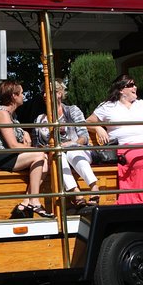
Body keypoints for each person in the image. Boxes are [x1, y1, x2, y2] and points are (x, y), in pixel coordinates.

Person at [86, 74, 143, 213]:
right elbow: (87, 122)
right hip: (127, 146)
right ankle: (140, 203)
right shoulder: (107, 107)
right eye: (131, 85)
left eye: (134, 84)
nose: (135, 87)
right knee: (139, 160)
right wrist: (98, 128)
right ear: (121, 89)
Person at [0, 80, 54, 218]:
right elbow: (13, 145)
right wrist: (34, 149)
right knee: (39, 155)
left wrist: (25, 132)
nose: (23, 95)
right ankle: (35, 201)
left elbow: (16, 134)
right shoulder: (2, 114)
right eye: (21, 93)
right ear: (14, 96)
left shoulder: (12, 115)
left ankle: (26, 203)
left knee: (43, 160)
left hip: (5, 154)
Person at [35, 79, 100, 209]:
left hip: (79, 151)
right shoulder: (40, 119)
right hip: (56, 154)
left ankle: (94, 187)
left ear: (59, 94)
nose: (44, 95)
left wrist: (70, 144)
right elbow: (37, 144)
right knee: (59, 155)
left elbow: (84, 138)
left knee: (71, 152)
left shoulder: (72, 111)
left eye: (48, 92)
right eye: (43, 92)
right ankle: (75, 193)